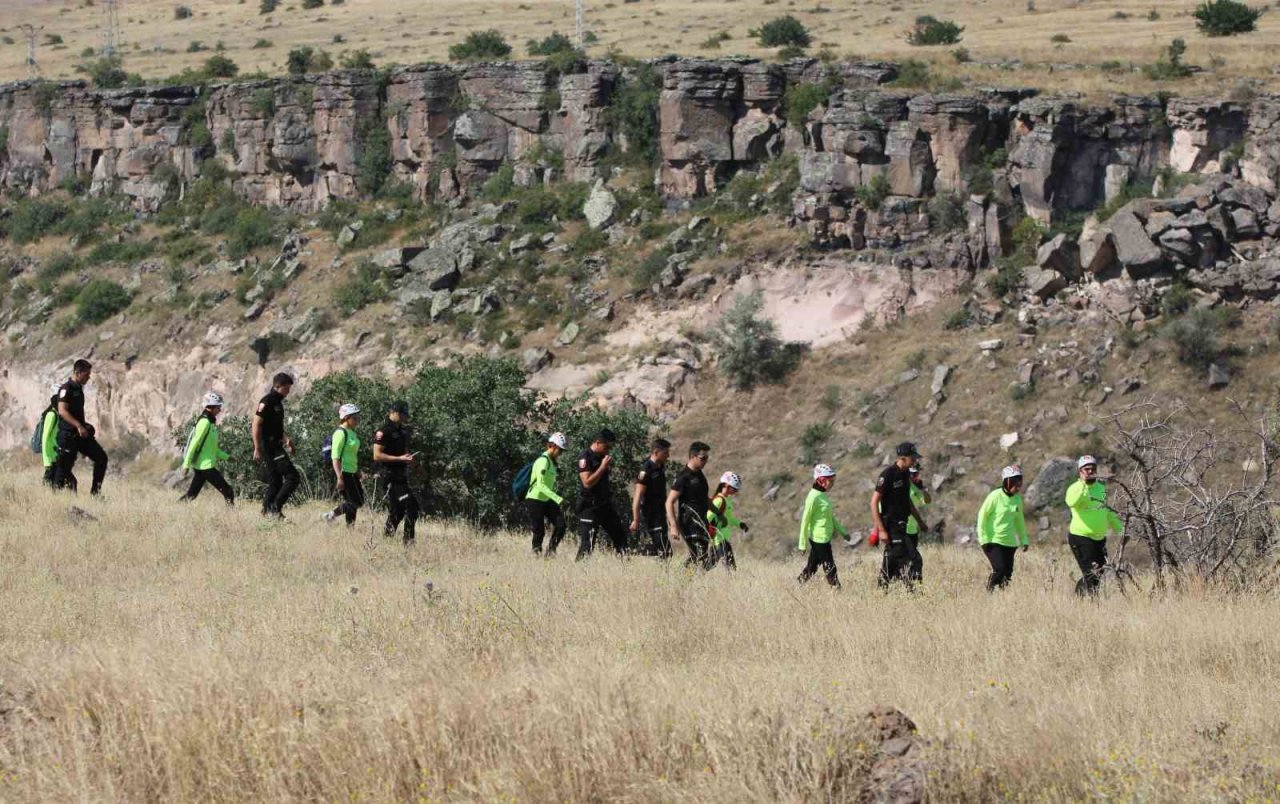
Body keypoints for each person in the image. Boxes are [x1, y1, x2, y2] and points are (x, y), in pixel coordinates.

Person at [871, 442, 928, 589]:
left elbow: (907, 501)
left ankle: (881, 591)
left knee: (891, 562)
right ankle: (913, 592)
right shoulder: (887, 474)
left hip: (902, 524)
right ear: (903, 458)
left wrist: (920, 521)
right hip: (891, 525)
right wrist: (881, 530)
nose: (915, 461)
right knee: (915, 560)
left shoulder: (905, 474)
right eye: (913, 457)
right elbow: (873, 502)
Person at [1065, 455, 1123, 596]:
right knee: (1092, 574)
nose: (1090, 471)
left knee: (1098, 573)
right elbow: (1071, 502)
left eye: (1093, 469)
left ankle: (1079, 597)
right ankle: (1091, 604)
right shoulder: (1075, 488)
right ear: (1080, 471)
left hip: (1099, 538)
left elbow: (1107, 511)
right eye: (1087, 469)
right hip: (1081, 537)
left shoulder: (1101, 488)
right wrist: (1084, 485)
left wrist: (1120, 529)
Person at [51, 359, 109, 496]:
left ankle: (96, 494)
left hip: (81, 435)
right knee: (63, 470)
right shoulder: (66, 389)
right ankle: (55, 500)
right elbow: (62, 411)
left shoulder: (79, 389)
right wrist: (78, 425)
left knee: (101, 458)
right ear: (78, 373)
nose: (89, 377)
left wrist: (84, 426)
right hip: (68, 436)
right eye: (86, 374)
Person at [373, 401, 419, 545]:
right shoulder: (383, 431)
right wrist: (399, 458)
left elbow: (403, 453)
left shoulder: (402, 432)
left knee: (397, 512)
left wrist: (409, 459)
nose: (405, 418)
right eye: (403, 415)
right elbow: (377, 455)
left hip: (401, 476)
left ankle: (386, 539)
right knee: (412, 506)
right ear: (395, 412)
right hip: (390, 477)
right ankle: (408, 541)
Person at [253, 372, 299, 519]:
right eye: (286, 388)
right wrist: (257, 447)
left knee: (276, 481)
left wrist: (286, 439)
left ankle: (266, 513)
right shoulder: (267, 401)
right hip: (268, 446)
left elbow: (275, 426)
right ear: (278, 386)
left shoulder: (278, 402)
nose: (288, 392)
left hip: (276, 444)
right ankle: (275, 509)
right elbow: (256, 425)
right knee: (293, 476)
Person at [575, 428, 626, 560]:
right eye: (607, 446)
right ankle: (579, 573)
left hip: (605, 506)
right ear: (598, 442)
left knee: (620, 537)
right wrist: (602, 467)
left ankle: (624, 569)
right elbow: (587, 482)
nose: (608, 450)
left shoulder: (603, 457)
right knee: (588, 544)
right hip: (589, 507)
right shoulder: (585, 456)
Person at [976, 465, 1029, 591]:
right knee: (999, 569)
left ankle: (1002, 599)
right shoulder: (994, 496)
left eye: (1020, 481)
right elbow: (982, 516)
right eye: (1016, 481)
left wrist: (1024, 540)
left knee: (1007, 574)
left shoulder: (1017, 499)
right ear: (1007, 481)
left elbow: (1019, 521)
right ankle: (988, 593)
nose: (1018, 485)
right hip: (993, 541)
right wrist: (983, 538)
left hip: (1010, 543)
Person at [179, 392, 234, 506]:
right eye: (218, 407)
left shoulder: (210, 422)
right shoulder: (204, 422)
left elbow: (213, 449)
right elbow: (193, 444)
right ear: (211, 407)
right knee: (228, 492)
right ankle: (231, 519)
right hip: (205, 467)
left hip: (202, 466)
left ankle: (173, 510)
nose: (220, 409)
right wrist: (186, 465)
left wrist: (227, 457)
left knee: (191, 495)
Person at [798, 463, 847, 588]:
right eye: (829, 481)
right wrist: (802, 544)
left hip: (825, 537)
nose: (832, 484)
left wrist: (843, 532)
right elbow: (805, 520)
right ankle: (837, 589)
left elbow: (830, 517)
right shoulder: (813, 497)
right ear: (821, 480)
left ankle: (797, 585)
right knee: (830, 567)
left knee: (812, 567)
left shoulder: (823, 496)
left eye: (833, 480)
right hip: (819, 539)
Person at [667, 441, 712, 568]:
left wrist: (718, 512)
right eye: (703, 458)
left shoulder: (700, 475)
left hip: (702, 521)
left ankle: (683, 582)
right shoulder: (684, 477)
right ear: (693, 456)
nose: (706, 461)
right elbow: (669, 502)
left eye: (707, 458)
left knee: (701, 557)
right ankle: (679, 581)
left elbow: (703, 498)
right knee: (698, 555)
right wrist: (673, 526)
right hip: (689, 522)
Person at [525, 432, 568, 556]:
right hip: (535, 499)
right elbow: (540, 485)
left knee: (561, 525)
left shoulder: (552, 462)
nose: (561, 454)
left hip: (546, 499)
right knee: (539, 531)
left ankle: (550, 552)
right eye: (560, 450)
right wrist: (557, 498)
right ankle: (536, 555)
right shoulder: (543, 461)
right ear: (552, 446)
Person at [323, 404, 364, 527]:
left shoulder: (351, 432)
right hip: (344, 472)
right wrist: (339, 478)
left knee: (356, 502)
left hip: (352, 472)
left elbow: (351, 455)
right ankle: (331, 515)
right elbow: (335, 457)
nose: (357, 420)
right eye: (355, 417)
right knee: (355, 501)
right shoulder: (340, 433)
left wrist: (357, 471)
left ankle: (350, 529)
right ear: (346, 417)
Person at [630, 438, 672, 558]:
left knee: (665, 551)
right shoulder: (646, 469)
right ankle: (632, 552)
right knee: (664, 550)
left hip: (660, 513)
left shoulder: (660, 467)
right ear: (656, 452)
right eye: (665, 453)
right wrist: (636, 519)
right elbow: (638, 495)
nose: (668, 456)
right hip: (651, 514)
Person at [706, 471, 747, 570]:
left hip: (723, 539)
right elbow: (707, 517)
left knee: (709, 565)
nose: (736, 491)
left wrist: (740, 524)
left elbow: (729, 519)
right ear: (726, 485)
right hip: (719, 539)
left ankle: (693, 576)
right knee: (730, 568)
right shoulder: (719, 500)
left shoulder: (726, 500)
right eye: (734, 489)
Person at [39, 383, 71, 489]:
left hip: (56, 455)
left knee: (57, 485)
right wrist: (47, 460)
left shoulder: (58, 415)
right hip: (51, 457)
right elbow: (45, 438)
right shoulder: (51, 415)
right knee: (51, 484)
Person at [905, 465, 930, 581]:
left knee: (909, 560)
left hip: (912, 530)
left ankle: (909, 584)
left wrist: (923, 490)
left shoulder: (915, 488)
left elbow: (927, 501)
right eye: (912, 474)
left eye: (916, 474)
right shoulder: (902, 487)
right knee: (915, 559)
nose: (915, 476)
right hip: (902, 529)